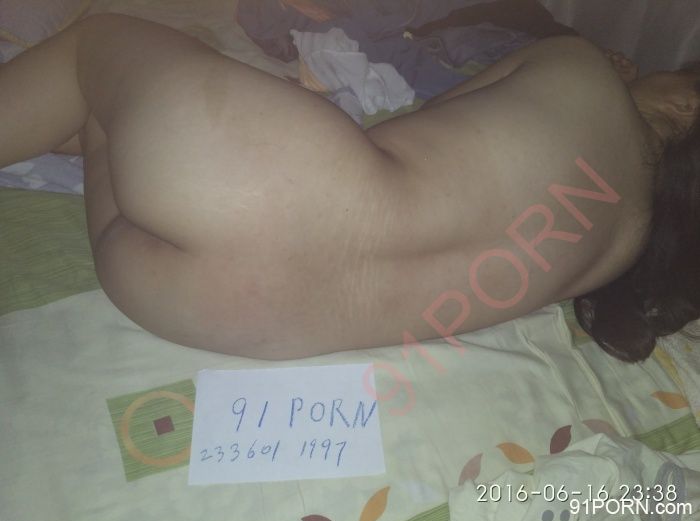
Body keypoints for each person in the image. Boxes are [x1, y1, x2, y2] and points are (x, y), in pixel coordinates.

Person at [1, 14, 698, 360]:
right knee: (110, 116)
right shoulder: (622, 249)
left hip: (268, 186)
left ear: (689, 103)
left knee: (94, 45)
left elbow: (434, 119)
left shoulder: (583, 66)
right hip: (206, 309)